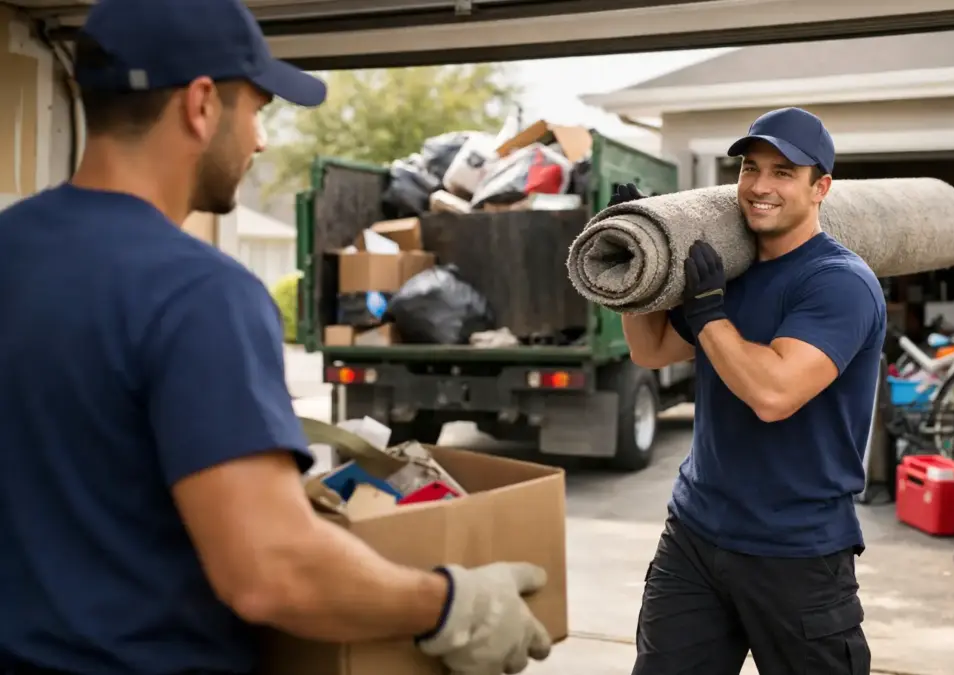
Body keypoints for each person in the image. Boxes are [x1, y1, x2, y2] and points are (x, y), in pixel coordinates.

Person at [0, 1, 551, 675]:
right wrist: (451, 601)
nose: (259, 140)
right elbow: (272, 570)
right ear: (201, 105)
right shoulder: (200, 293)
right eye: (256, 108)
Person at [615, 107, 886, 675]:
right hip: (695, 534)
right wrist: (636, 272)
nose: (760, 186)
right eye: (750, 168)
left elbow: (773, 393)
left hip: (796, 553)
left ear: (821, 188)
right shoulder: (731, 269)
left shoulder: (838, 283)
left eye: (784, 172)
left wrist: (709, 311)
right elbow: (652, 350)